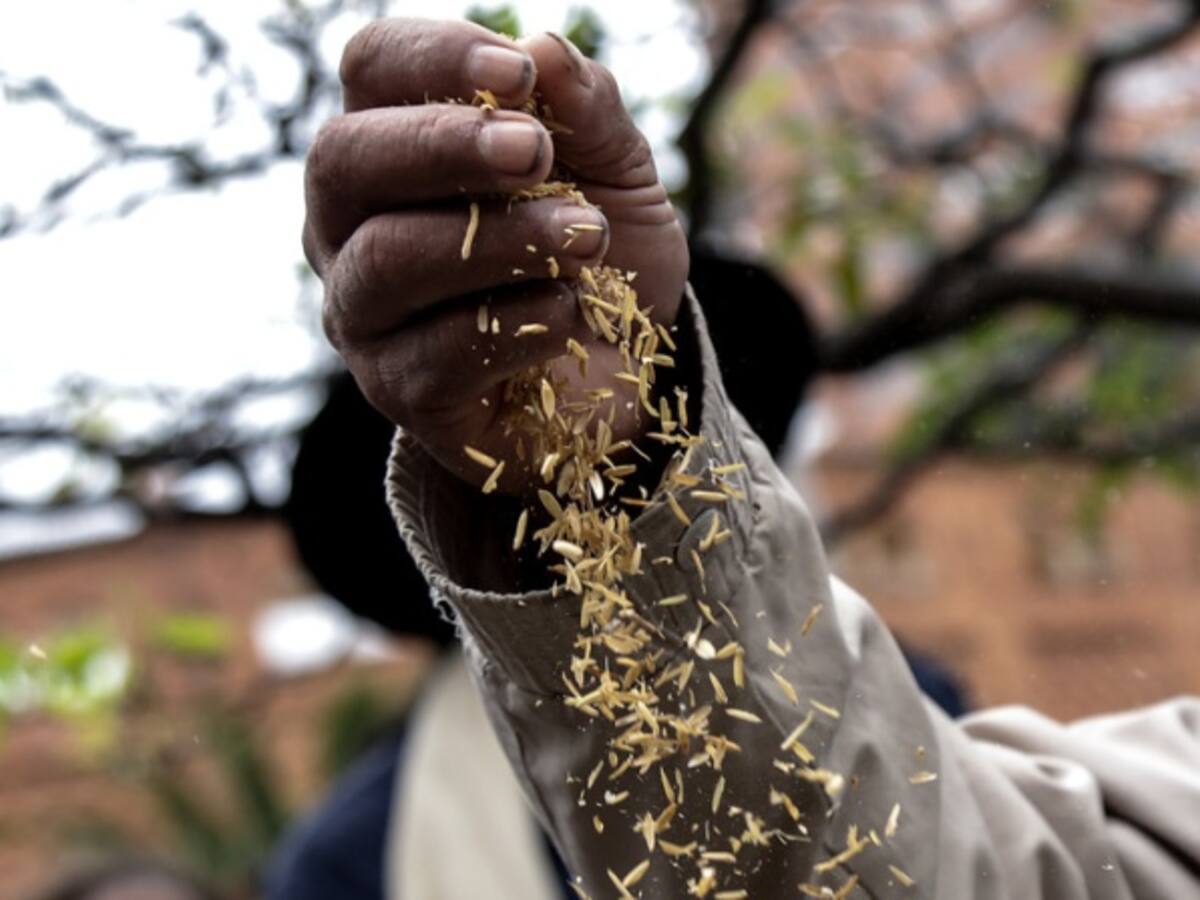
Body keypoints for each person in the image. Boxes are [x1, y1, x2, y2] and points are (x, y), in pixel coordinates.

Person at [300, 18, 1200, 899]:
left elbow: (893, 838)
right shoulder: (357, 851)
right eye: (497, 504)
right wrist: (585, 475)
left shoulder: (900, 691)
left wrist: (626, 470)